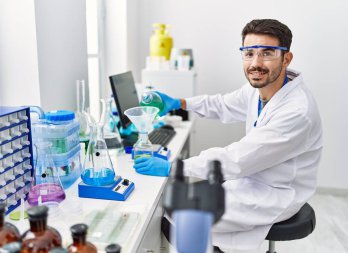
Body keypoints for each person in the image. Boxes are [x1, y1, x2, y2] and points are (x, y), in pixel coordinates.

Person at [133, 19, 323, 251]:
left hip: (277, 193)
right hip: (252, 181)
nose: (256, 63)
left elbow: (237, 159)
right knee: (175, 211)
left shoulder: (296, 111)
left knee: (179, 214)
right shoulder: (261, 89)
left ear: (287, 58)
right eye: (249, 53)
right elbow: (222, 104)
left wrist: (175, 167)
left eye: (267, 53)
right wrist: (179, 102)